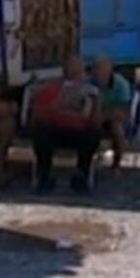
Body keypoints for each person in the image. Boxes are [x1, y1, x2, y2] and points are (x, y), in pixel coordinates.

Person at [30, 56, 103, 194]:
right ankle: (44, 176)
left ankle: (81, 175)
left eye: (79, 73)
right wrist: (55, 106)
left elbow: (97, 122)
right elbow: (36, 116)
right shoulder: (51, 89)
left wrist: (96, 104)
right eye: (72, 73)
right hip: (56, 129)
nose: (76, 77)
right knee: (41, 131)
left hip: (79, 132)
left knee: (93, 134)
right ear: (64, 73)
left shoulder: (90, 91)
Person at [91, 56, 132, 169]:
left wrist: (105, 115)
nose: (98, 74)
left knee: (116, 128)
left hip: (115, 118)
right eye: (96, 70)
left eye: (102, 70)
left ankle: (116, 163)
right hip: (94, 115)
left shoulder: (121, 85)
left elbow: (124, 112)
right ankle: (85, 164)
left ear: (110, 71)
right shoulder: (90, 83)